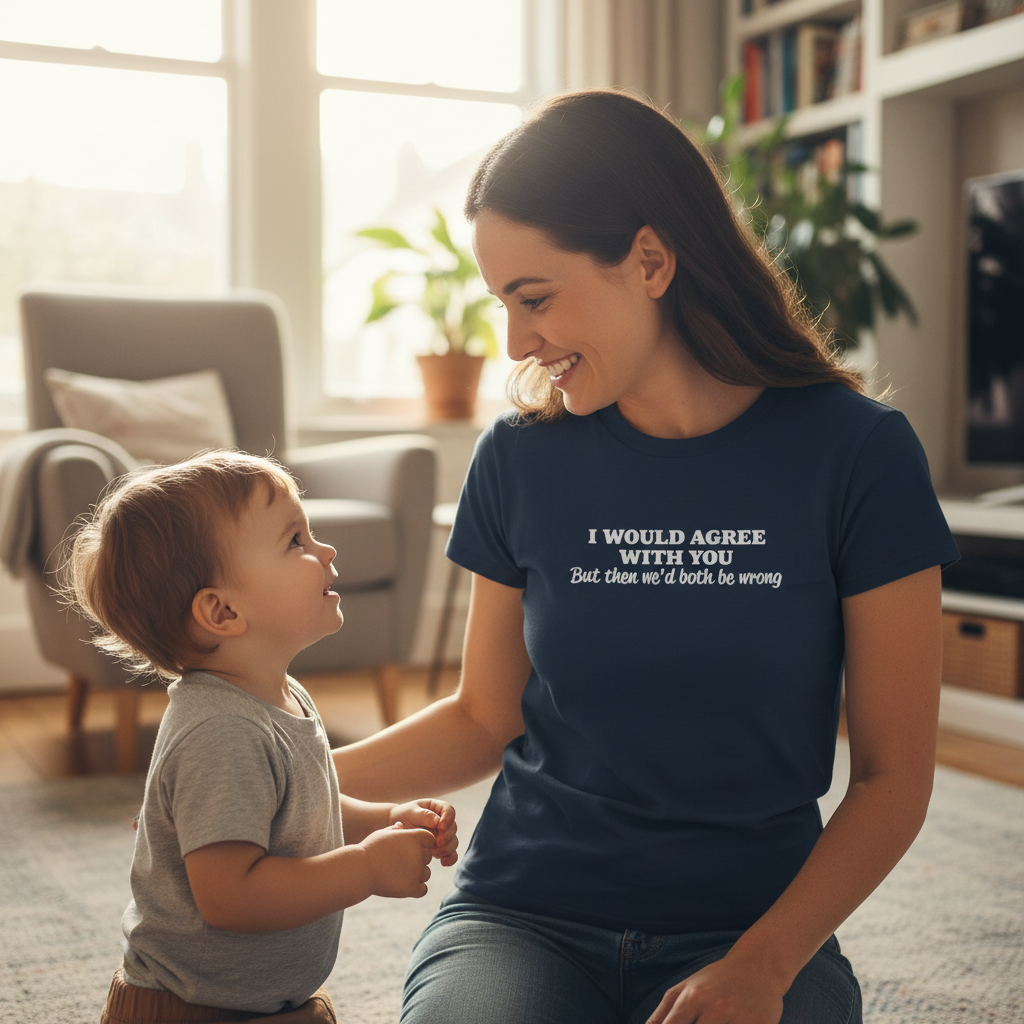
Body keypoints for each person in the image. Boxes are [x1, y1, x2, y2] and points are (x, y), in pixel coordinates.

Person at [332, 89, 960, 1024]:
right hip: (522, 916)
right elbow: (480, 715)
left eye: (535, 299)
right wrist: (280, 775)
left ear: (652, 260)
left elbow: (892, 778)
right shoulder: (518, 458)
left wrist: (765, 964)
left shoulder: (859, 455)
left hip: (753, 929)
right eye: (504, 303)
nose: (516, 342)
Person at [64, 450, 458, 1024]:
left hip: (261, 1003)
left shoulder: (280, 694)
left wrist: (385, 817)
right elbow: (231, 896)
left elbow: (303, 810)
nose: (326, 551)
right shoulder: (220, 730)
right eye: (296, 541)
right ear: (222, 611)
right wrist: (365, 870)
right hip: (191, 1009)